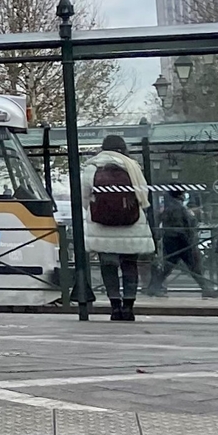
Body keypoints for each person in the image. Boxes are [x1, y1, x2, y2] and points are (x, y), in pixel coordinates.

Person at [81, 133, 154, 321]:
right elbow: (143, 193)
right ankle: (129, 307)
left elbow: (84, 195)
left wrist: (96, 210)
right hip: (131, 224)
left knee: (108, 266)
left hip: (101, 226)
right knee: (130, 266)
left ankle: (115, 307)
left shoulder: (92, 167)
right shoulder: (133, 167)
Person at [148, 185, 212, 298]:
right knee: (192, 266)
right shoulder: (176, 207)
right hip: (180, 240)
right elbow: (179, 226)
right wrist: (188, 237)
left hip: (174, 239)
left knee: (173, 265)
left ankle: (154, 287)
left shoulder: (171, 205)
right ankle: (206, 288)